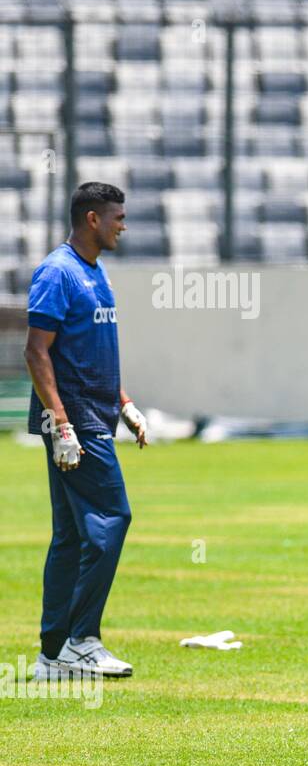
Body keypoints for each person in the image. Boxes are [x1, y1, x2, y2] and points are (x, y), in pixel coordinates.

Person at [25, 182, 147, 680]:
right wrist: (62, 424)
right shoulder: (58, 272)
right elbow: (36, 351)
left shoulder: (97, 275)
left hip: (96, 415)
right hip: (76, 421)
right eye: (117, 216)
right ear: (92, 219)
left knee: (72, 537)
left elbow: (94, 349)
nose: (124, 224)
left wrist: (125, 403)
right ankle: (82, 640)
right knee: (111, 520)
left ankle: (52, 654)